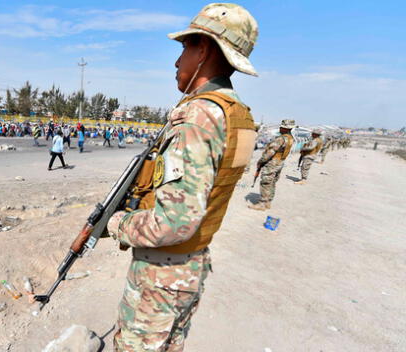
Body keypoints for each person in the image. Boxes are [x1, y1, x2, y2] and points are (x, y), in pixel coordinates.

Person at [106, 3, 259, 350]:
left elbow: (173, 223)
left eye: (184, 49)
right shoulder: (238, 115)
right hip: (191, 267)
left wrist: (117, 224)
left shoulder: (198, 117)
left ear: (203, 49)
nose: (176, 62)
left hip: (163, 276)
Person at [248, 119, 295, 210]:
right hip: (279, 163)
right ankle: (268, 202)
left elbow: (270, 152)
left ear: (286, 129)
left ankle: (262, 204)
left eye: (282, 127)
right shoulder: (290, 138)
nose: (280, 128)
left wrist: (261, 161)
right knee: (272, 182)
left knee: (266, 183)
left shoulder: (281, 138)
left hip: (272, 163)